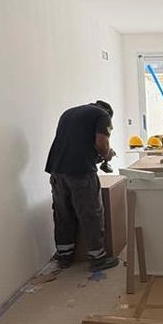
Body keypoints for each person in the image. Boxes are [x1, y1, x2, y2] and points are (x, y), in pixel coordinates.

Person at [45, 100, 119, 271]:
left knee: (63, 214)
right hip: (80, 171)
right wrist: (107, 154)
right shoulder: (103, 115)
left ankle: (64, 256)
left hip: (57, 171)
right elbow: (101, 143)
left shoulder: (68, 113)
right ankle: (97, 258)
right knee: (91, 213)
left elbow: (75, 143)